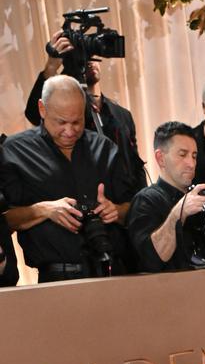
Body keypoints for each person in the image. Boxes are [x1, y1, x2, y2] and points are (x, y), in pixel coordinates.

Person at [0, 76, 134, 282]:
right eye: (61, 122)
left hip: (112, 272)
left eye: (77, 121)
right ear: (42, 109)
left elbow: (131, 209)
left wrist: (116, 211)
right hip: (57, 279)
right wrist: (44, 210)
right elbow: (5, 220)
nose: (70, 131)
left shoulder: (104, 148)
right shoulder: (14, 151)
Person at [24, 30, 146, 194]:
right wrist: (51, 66)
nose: (89, 61)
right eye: (82, 56)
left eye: (91, 55)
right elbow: (33, 113)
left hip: (124, 201)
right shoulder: (69, 112)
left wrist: (140, 202)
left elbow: (135, 163)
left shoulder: (122, 114)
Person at [127, 121, 205, 272]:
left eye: (194, 156)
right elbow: (152, 261)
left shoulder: (200, 198)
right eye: (182, 155)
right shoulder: (146, 201)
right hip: (167, 291)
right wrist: (178, 213)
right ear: (160, 158)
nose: (191, 163)